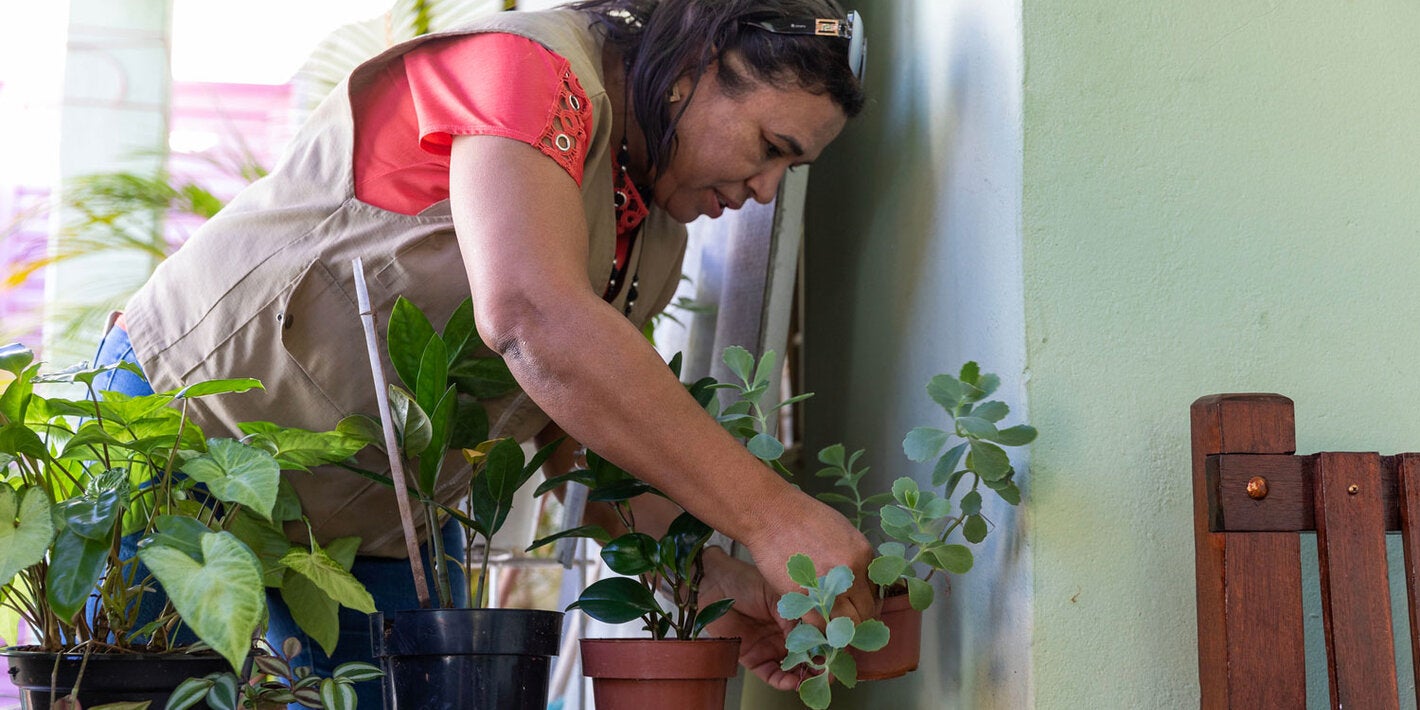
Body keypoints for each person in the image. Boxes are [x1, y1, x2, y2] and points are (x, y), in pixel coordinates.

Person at [98, 0, 872, 701]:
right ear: (695, 66)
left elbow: (576, 441)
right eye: (772, 146)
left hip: (373, 528)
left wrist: (709, 580)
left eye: (788, 169)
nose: (767, 191)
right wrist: (778, 520)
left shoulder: (653, 235)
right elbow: (531, 317)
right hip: (190, 434)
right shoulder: (528, 63)